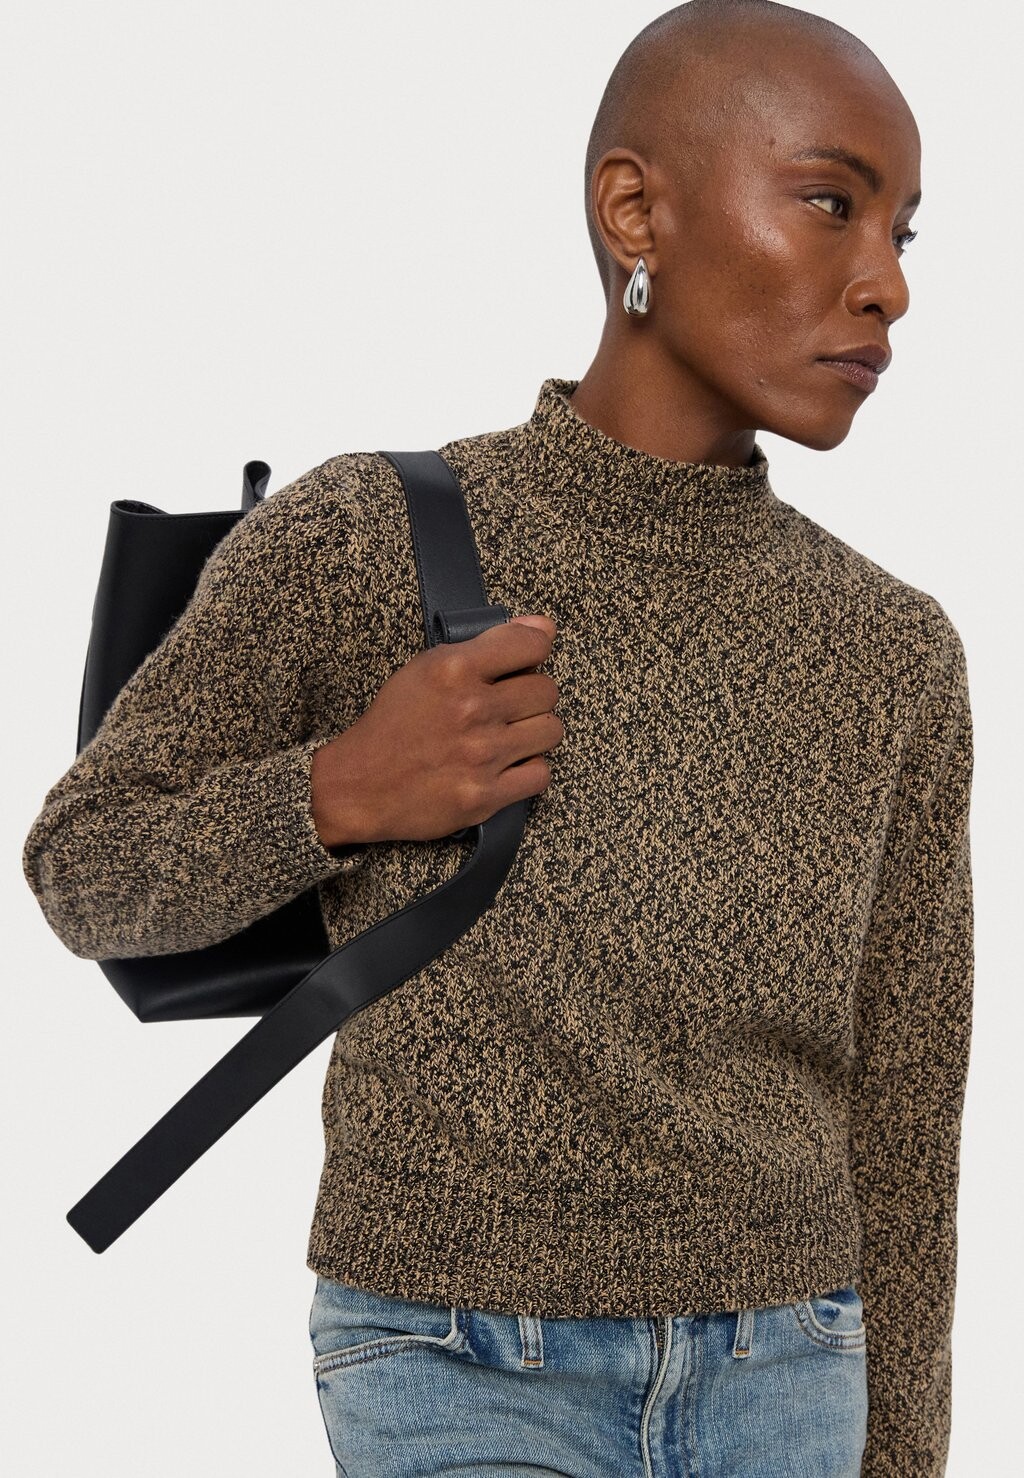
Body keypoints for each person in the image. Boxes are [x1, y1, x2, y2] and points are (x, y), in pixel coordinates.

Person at [22, 1, 973, 1474]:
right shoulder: (363, 535)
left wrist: (902, 1449)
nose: (887, 286)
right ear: (635, 210)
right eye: (832, 204)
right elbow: (85, 871)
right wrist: (339, 790)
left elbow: (908, 1100)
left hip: (791, 1368)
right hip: (454, 1360)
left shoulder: (893, 648)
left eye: (904, 234)